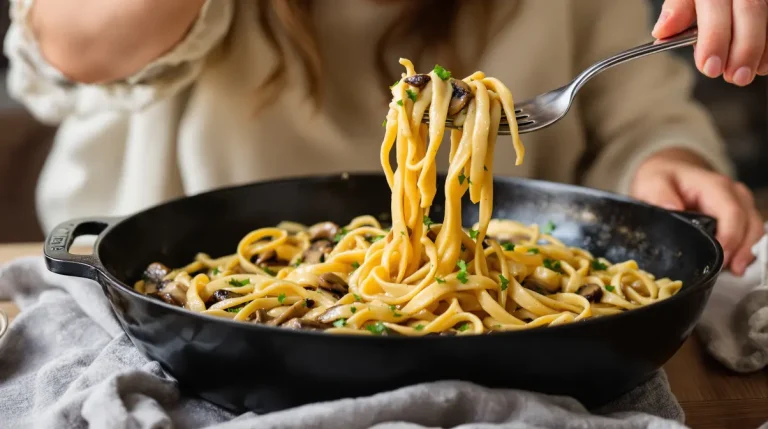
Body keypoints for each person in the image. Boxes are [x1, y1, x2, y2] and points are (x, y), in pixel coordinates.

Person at [3, 0, 765, 276]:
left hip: (497, 284)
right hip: (175, 285)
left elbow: (640, 118)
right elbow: (68, 49)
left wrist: (666, 163)